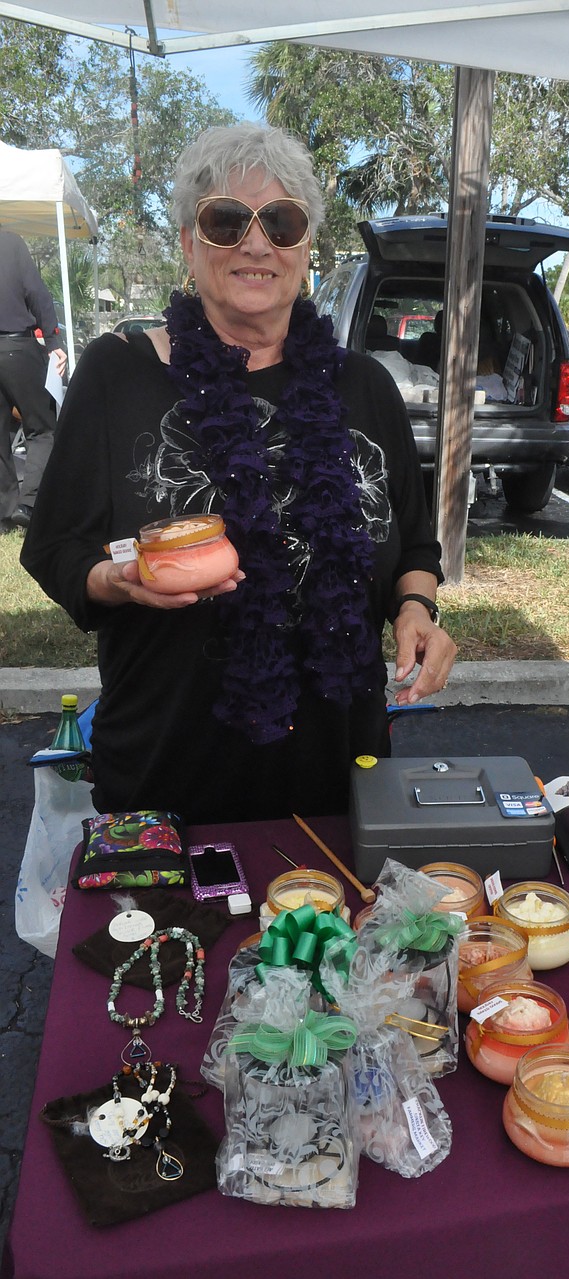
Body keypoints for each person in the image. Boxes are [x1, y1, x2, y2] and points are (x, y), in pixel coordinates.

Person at [21, 124, 456, 825]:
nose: (257, 245)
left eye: (281, 223)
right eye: (227, 222)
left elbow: (412, 547)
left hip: (341, 783)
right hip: (168, 784)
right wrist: (116, 581)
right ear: (190, 245)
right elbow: (56, 550)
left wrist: (417, 611)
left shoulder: (366, 387)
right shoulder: (118, 373)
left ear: (306, 248)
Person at [0, 227, 67, 532]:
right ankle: (29, 504)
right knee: (43, 428)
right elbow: (36, 291)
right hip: (16, 347)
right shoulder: (10, 241)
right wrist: (53, 343)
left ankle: (5, 514)